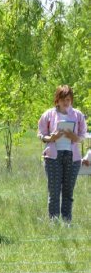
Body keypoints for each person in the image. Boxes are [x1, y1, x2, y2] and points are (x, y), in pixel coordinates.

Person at [38, 85, 87, 223]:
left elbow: (83, 136)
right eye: (63, 99)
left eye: (68, 99)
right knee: (54, 192)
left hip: (73, 157)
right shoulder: (48, 114)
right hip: (53, 157)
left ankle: (66, 222)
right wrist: (50, 138)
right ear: (57, 100)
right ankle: (54, 222)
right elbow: (41, 134)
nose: (66, 102)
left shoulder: (78, 115)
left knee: (68, 192)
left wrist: (74, 137)